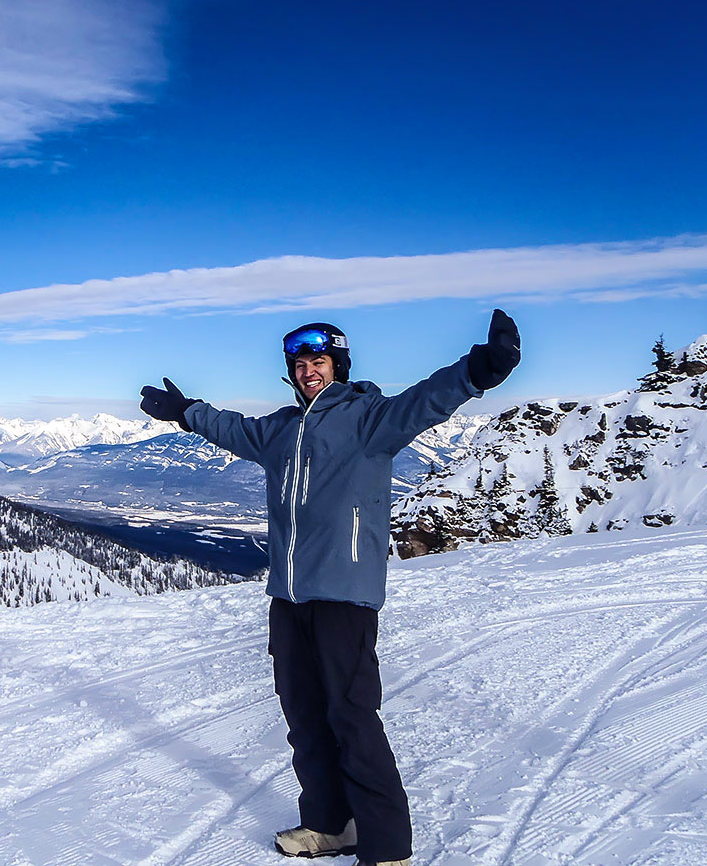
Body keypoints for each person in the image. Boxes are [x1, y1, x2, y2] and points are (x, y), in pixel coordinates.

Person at [139, 311, 520, 866]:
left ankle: (387, 847)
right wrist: (186, 412)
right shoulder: (280, 430)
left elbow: (426, 400)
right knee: (305, 717)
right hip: (289, 597)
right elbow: (231, 428)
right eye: (299, 364)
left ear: (338, 366)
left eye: (318, 361)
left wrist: (480, 370)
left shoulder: (369, 420)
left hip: (345, 594)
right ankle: (329, 824)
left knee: (352, 718)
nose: (308, 371)